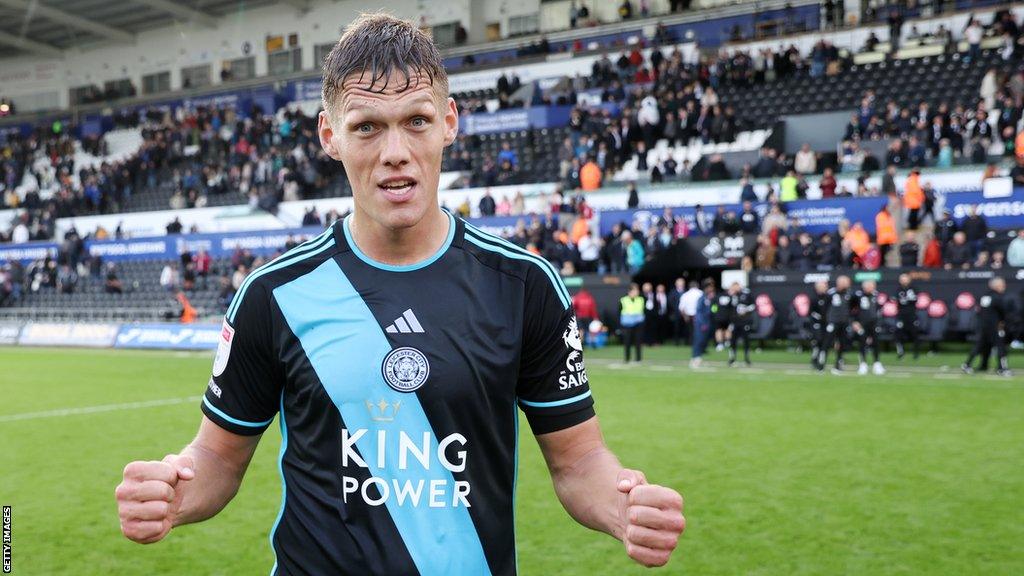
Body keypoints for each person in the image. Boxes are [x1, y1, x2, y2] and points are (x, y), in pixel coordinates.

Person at [115, 15, 684, 574]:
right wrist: (175, 489)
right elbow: (217, 456)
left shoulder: (523, 286)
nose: (395, 151)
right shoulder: (274, 295)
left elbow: (579, 459)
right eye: (367, 126)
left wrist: (621, 505)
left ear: (449, 122)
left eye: (416, 120)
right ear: (329, 135)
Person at [962, 278, 1012, 377]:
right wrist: (1003, 322)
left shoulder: (984, 297)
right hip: (995, 326)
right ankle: (1003, 368)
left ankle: (967, 364)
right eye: (1002, 285)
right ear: (996, 286)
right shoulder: (998, 297)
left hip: (984, 326)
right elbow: (1003, 312)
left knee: (979, 346)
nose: (1004, 287)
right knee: (1000, 347)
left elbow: (980, 312)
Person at [818, 275, 854, 374]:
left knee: (842, 344)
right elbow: (824, 309)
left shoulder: (849, 294)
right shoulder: (831, 293)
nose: (847, 284)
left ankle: (838, 366)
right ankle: (821, 365)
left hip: (844, 322)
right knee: (827, 343)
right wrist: (827, 321)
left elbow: (851, 308)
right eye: (845, 282)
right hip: (832, 322)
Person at [851, 280, 885, 375]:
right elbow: (851, 309)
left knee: (876, 343)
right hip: (862, 324)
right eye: (867, 286)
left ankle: (877, 363)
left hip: (874, 323)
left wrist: (879, 322)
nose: (869, 288)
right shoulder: (857, 296)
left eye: (871, 286)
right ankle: (863, 364)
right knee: (862, 343)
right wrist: (854, 322)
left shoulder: (877, 296)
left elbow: (880, 310)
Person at [726, 282, 754, 367]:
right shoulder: (732, 296)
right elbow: (728, 308)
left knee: (746, 341)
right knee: (732, 341)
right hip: (734, 321)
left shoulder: (746, 294)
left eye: (736, 286)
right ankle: (732, 358)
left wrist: (746, 309)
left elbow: (753, 305)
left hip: (744, 321)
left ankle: (747, 358)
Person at [893, 273, 920, 360]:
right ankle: (900, 352)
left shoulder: (913, 289)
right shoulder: (898, 289)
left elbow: (914, 300)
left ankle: (916, 352)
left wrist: (906, 300)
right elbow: (897, 300)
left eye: (905, 279)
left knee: (914, 333)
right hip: (901, 315)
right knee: (898, 332)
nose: (903, 281)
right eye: (902, 279)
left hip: (912, 314)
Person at [690, 281, 714, 368]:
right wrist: (702, 323)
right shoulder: (702, 298)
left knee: (703, 341)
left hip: (707, 323)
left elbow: (711, 310)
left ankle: (698, 357)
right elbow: (699, 312)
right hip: (701, 324)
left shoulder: (708, 299)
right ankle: (695, 358)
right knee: (698, 341)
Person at [620, 283, 645, 363]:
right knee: (627, 341)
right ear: (630, 291)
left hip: (638, 323)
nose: (636, 292)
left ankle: (638, 358)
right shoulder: (623, 300)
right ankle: (627, 358)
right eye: (634, 290)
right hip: (627, 324)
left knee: (638, 341)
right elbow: (620, 311)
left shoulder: (641, 299)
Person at [809, 280, 830, 371]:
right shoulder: (814, 298)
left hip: (827, 324)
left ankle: (822, 361)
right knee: (818, 341)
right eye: (820, 287)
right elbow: (811, 312)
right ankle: (815, 358)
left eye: (824, 286)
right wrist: (819, 318)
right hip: (817, 324)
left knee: (825, 343)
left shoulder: (829, 298)